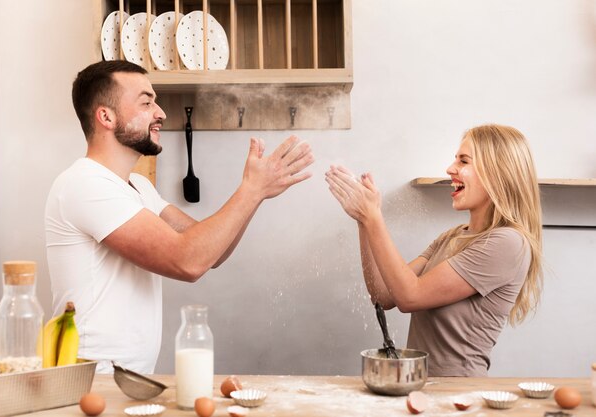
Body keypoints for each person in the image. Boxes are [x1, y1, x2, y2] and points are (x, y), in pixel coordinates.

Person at [45, 60, 314, 374]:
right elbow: (188, 261)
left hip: (124, 379)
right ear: (106, 116)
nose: (160, 113)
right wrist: (251, 191)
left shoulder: (139, 187)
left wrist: (257, 193)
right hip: (89, 380)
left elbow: (213, 252)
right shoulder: (85, 184)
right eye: (146, 103)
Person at [325, 124, 542, 377]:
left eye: (463, 161)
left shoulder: (508, 243)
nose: (450, 169)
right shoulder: (451, 237)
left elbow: (410, 297)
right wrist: (364, 221)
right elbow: (384, 296)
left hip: (458, 392)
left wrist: (374, 218)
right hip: (422, 385)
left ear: (498, 173)